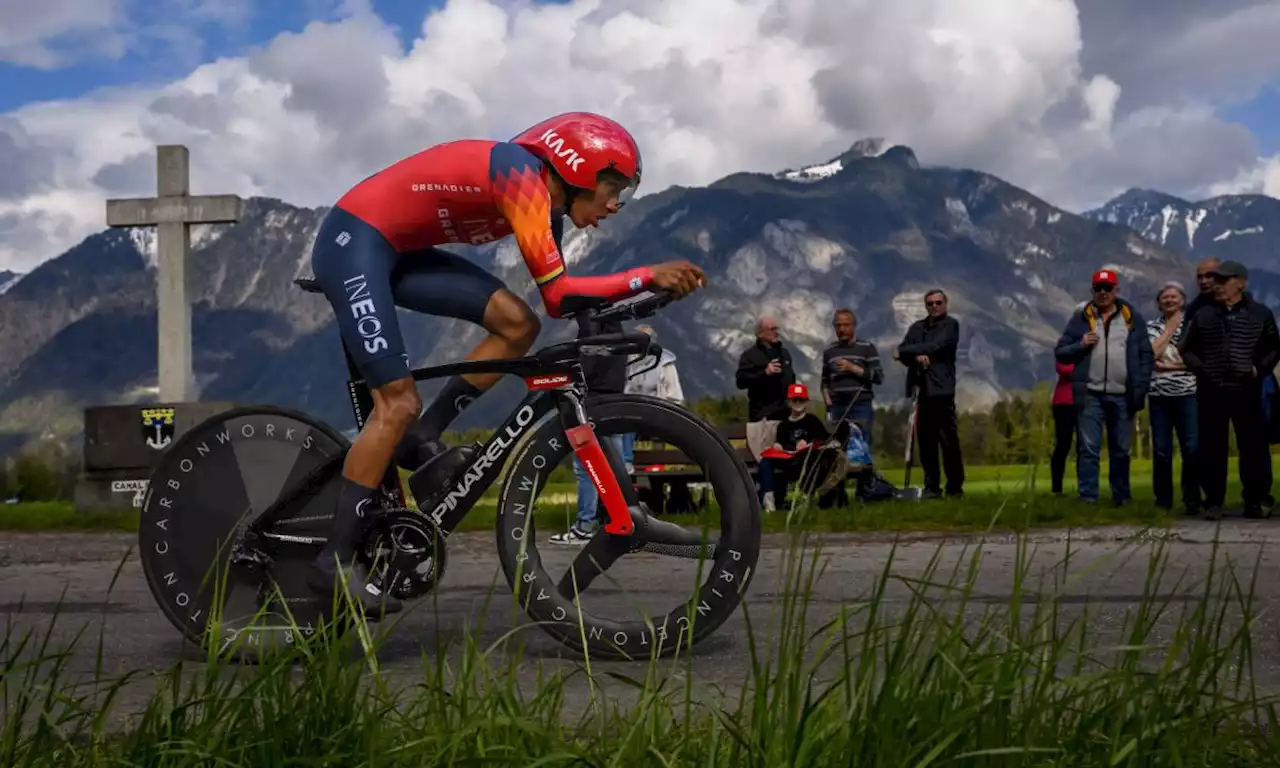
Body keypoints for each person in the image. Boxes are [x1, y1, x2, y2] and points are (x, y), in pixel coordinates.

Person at [304, 112, 707, 613]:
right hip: (355, 242)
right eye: (611, 187)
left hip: (398, 252)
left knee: (518, 326)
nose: (614, 204)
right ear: (576, 166)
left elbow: (559, 304)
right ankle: (335, 560)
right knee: (396, 402)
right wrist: (646, 274)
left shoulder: (545, 204)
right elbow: (560, 293)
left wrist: (641, 300)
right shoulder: (520, 176)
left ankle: (420, 436)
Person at [1179, 260, 1280, 519]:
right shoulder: (1203, 314)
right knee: (1212, 447)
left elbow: (1275, 348)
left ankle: (1256, 500)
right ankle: (1213, 501)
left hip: (1248, 390)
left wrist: (1259, 369)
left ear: (1241, 283)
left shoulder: (1260, 313)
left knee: (1254, 447)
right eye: (1216, 280)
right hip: (1212, 391)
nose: (1217, 285)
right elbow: (1185, 349)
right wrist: (1202, 370)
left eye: (1224, 280)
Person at [1054, 268, 1153, 506]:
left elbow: (1145, 355)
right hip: (1090, 395)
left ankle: (1121, 497)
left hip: (1122, 395)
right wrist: (1080, 344)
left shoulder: (1132, 317)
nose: (1103, 293)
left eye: (1107, 288)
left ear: (1116, 290)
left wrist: (1140, 386)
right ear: (1092, 291)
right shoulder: (1080, 318)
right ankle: (1088, 497)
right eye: (1098, 288)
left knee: (1121, 450)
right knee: (1088, 450)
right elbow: (1061, 352)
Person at [895, 289, 964, 499]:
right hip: (920, 390)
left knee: (948, 441)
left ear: (946, 303)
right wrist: (916, 357)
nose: (934, 307)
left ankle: (954, 486)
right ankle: (932, 486)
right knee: (926, 443)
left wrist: (912, 352)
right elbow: (903, 350)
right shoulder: (917, 327)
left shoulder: (951, 325)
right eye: (930, 304)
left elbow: (937, 346)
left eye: (938, 303)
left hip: (941, 390)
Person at [1145, 281, 1201, 514]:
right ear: (1159, 303)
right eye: (1164, 297)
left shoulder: (1194, 324)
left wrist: (1169, 367)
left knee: (1191, 448)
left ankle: (1192, 499)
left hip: (1188, 394)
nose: (1169, 300)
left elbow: (1198, 359)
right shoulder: (1151, 326)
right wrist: (1169, 329)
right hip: (1158, 396)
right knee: (1161, 450)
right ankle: (1163, 501)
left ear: (1183, 300)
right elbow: (1151, 356)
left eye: (1174, 296)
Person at [735, 316, 796, 511]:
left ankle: (780, 498)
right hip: (762, 416)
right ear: (761, 333)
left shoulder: (785, 353)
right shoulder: (750, 356)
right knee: (767, 458)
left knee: (784, 457)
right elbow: (741, 381)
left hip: (785, 416)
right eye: (772, 328)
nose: (776, 331)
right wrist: (764, 373)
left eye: (777, 327)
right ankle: (766, 499)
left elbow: (790, 379)